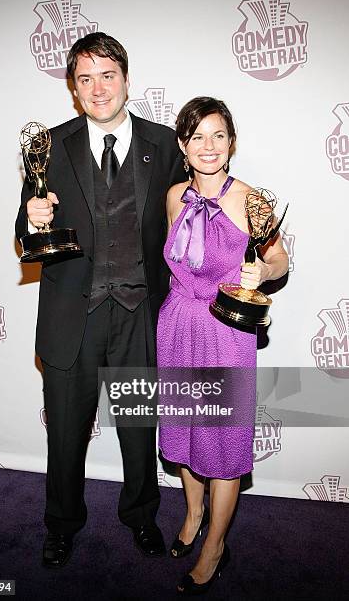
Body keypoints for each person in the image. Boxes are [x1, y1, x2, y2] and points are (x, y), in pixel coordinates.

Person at [15, 32, 186, 568]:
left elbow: (186, 228)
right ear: (73, 88)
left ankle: (141, 517)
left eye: (107, 75)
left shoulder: (164, 146)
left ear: (126, 80)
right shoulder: (49, 145)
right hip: (74, 315)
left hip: (141, 314)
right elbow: (28, 229)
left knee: (139, 430)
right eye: (84, 78)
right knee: (65, 433)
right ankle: (61, 525)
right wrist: (31, 220)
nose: (97, 88)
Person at [157, 96, 288, 595]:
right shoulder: (174, 197)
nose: (207, 146)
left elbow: (280, 262)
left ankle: (215, 546)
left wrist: (263, 270)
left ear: (231, 143)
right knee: (185, 431)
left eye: (218, 135)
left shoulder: (250, 199)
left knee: (222, 440)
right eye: (196, 137)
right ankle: (192, 513)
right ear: (182, 146)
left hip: (225, 331)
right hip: (177, 325)